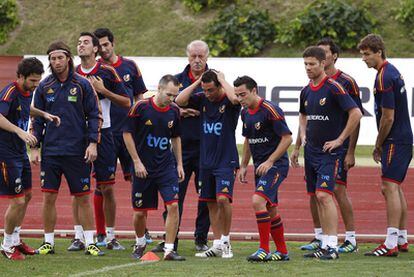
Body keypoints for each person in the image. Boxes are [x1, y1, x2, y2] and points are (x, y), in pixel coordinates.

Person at [31, 41, 104, 256]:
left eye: (60, 58)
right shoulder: (44, 86)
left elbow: (95, 115)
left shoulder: (82, 84)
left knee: (82, 197)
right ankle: (48, 242)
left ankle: (89, 241)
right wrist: (34, 146)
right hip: (51, 152)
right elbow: (36, 119)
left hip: (77, 151)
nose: (57, 62)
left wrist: (93, 143)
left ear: (68, 59)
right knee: (48, 198)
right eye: (53, 59)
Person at [293, 38, 363, 253]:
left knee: (329, 194)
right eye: (305, 64)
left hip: (331, 152)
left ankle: (340, 242)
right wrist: (300, 142)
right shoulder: (306, 90)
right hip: (311, 151)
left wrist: (342, 142)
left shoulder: (337, 86)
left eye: (312, 64)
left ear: (324, 62)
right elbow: (303, 117)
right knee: (316, 195)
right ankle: (323, 240)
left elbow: (356, 114)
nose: (308, 68)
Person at [68, 32, 130, 252]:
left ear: (95, 49)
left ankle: (111, 236)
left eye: (85, 42)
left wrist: (104, 91)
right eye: (78, 42)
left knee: (106, 187)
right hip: (78, 137)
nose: (80, 45)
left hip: (104, 134)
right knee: (78, 188)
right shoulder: (72, 73)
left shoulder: (107, 72)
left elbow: (126, 101)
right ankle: (79, 236)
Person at [93, 27, 150, 246]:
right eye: (100, 46)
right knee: (102, 185)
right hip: (105, 133)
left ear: (113, 43)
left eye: (106, 44)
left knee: (139, 178)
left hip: (129, 133)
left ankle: (142, 230)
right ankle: (102, 233)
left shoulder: (130, 66)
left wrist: (141, 126)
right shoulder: (96, 71)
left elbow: (139, 97)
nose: (104, 49)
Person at [153, 40, 211, 253]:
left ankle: (201, 238)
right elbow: (161, 102)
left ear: (207, 56)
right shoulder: (176, 80)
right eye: (193, 56)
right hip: (181, 147)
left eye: (201, 56)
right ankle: (171, 240)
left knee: (206, 196)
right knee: (174, 195)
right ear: (187, 57)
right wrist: (180, 111)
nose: (197, 60)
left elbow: (226, 104)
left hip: (206, 147)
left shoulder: (215, 80)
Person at [175, 69, 240, 259]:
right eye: (205, 90)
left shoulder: (229, 102)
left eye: (211, 90)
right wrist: (198, 83)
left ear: (219, 86)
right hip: (206, 161)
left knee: (223, 199)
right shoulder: (202, 98)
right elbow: (179, 101)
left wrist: (222, 78)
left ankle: (227, 242)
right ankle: (217, 243)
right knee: (210, 202)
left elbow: (236, 99)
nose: (208, 94)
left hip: (225, 159)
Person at [358, 34, 413, 257]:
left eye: (367, 54)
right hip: (403, 138)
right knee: (394, 187)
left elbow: (387, 117)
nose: (364, 59)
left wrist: (378, 144)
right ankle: (401, 237)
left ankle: (390, 242)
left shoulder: (383, 78)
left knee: (390, 187)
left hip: (394, 139)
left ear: (379, 52)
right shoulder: (391, 71)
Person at [0, 57, 60, 260]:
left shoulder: (27, 92)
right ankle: (7, 245)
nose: (36, 85)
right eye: (33, 81)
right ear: (21, 77)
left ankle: (16, 239)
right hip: (5, 153)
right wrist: (19, 131)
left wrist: (44, 114)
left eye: (38, 80)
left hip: (19, 152)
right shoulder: (9, 92)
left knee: (27, 196)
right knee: (17, 200)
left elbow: (26, 109)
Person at [123, 74, 185, 261]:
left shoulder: (174, 110)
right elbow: (127, 134)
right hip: (143, 168)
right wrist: (136, 161)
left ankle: (169, 249)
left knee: (173, 205)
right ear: (158, 89)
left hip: (166, 167)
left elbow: (175, 137)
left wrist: (179, 163)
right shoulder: (140, 107)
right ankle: (140, 242)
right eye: (169, 94)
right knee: (140, 212)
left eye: (175, 95)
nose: (172, 99)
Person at [235, 76, 292, 262]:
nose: (241, 98)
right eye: (237, 95)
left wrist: (269, 161)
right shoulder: (245, 113)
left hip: (275, 166)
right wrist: (244, 165)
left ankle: (264, 249)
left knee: (257, 201)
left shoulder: (270, 110)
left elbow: (287, 138)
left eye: (243, 94)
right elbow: (248, 140)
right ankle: (282, 252)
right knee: (270, 208)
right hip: (260, 167)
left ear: (254, 91)